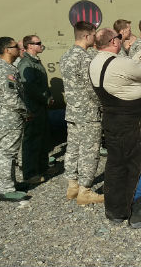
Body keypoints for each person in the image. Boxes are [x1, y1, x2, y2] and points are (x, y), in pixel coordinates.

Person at [89, 28, 141, 228]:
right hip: (132, 122)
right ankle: (139, 209)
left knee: (116, 165)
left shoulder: (97, 61)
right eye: (119, 37)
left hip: (112, 121)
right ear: (114, 41)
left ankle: (116, 210)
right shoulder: (119, 63)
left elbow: (127, 66)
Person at [60, 21, 104, 205]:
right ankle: (85, 190)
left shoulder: (66, 56)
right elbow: (91, 88)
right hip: (88, 112)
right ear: (86, 36)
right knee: (89, 150)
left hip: (72, 111)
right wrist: (103, 105)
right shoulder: (85, 58)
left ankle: (73, 185)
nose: (94, 39)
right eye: (93, 35)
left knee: (74, 148)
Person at [0, 37, 28, 202]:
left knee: (10, 153)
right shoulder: (4, 70)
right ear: (6, 50)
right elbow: (11, 98)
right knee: (6, 154)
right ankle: (6, 190)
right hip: (8, 119)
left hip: (10, 118)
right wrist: (27, 111)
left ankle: (11, 184)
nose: (19, 48)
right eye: (15, 46)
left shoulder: (7, 67)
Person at [18, 35, 53, 184]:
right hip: (33, 107)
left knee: (42, 137)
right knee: (32, 140)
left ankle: (42, 167)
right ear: (30, 46)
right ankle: (30, 173)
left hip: (40, 106)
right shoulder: (26, 64)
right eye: (38, 43)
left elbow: (41, 85)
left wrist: (48, 96)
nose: (41, 45)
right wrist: (45, 98)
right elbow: (30, 88)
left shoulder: (35, 61)